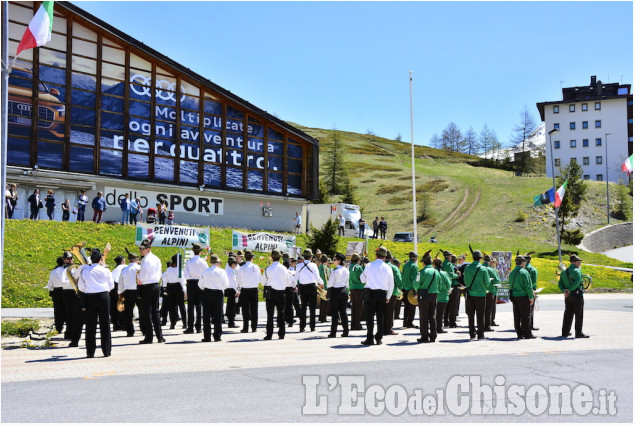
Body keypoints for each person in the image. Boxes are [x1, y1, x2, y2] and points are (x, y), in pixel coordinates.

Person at [78, 249, 114, 358]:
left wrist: (90, 289)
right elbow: (111, 285)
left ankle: (90, 352)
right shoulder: (105, 270)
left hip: (90, 297)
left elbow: (81, 287)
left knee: (90, 325)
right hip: (103, 296)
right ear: (100, 259)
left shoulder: (85, 271)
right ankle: (106, 351)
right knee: (105, 324)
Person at [359, 246, 394, 346]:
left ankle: (369, 338)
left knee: (369, 317)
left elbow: (362, 280)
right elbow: (391, 284)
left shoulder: (369, 265)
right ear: (385, 256)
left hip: (370, 293)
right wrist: (388, 296)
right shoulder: (388, 267)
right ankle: (379, 338)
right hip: (382, 294)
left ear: (375, 255)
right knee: (380, 317)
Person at [137, 239, 165, 344]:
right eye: (140, 249)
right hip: (156, 285)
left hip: (147, 286)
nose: (140, 251)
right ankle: (160, 336)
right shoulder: (156, 258)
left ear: (148, 249)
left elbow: (143, 277)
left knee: (147, 312)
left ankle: (149, 337)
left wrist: (138, 276)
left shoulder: (145, 260)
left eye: (142, 249)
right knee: (156, 312)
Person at [463, 249, 492, 340]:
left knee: (470, 315)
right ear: (480, 259)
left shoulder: (467, 267)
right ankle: (480, 334)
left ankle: (472, 333)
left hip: (470, 294)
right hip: (480, 294)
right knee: (480, 315)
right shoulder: (483, 269)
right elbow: (487, 283)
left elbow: (465, 281)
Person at [558, 254, 589, 338]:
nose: (580, 263)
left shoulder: (564, 271)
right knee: (579, 314)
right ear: (575, 262)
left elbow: (560, 283)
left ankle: (565, 332)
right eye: (579, 262)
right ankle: (578, 333)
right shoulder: (577, 271)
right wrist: (570, 289)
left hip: (567, 295)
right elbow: (577, 282)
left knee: (568, 313)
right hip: (577, 294)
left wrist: (564, 290)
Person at [199, 254, 228, 342]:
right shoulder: (222, 271)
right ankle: (217, 336)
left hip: (207, 292)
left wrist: (205, 288)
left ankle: (207, 336)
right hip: (218, 293)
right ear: (218, 262)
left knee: (206, 316)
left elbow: (200, 284)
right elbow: (226, 284)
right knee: (218, 315)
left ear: (211, 262)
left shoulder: (205, 271)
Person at [262, 249, 289, 340]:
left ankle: (269, 334)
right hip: (281, 292)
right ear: (280, 258)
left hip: (271, 292)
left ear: (271, 257)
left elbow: (263, 282)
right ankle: (282, 334)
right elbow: (288, 281)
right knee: (281, 313)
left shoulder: (268, 268)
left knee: (270, 314)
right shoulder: (284, 268)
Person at [414, 250, 440, 343]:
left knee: (423, 316)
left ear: (424, 262)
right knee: (432, 315)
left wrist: (418, 290)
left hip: (423, 295)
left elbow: (416, 284)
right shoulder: (436, 272)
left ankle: (424, 336)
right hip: (434, 294)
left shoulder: (421, 272)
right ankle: (433, 335)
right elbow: (439, 283)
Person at [296, 248, 324, 332]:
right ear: (311, 257)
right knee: (312, 308)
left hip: (303, 287)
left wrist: (293, 285)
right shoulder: (313, 265)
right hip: (312, 287)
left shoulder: (299, 266)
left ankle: (302, 326)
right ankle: (312, 326)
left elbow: (296, 278)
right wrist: (321, 283)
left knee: (303, 307)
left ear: (304, 257)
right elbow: (317, 277)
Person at [509, 254, 535, 340]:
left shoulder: (512, 272)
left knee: (516, 316)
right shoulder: (524, 272)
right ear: (522, 263)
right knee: (525, 316)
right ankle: (527, 334)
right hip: (523, 296)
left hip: (514, 296)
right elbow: (528, 286)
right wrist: (531, 297)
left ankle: (519, 333)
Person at [184, 243, 207, 334]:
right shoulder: (203, 262)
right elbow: (206, 273)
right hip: (200, 283)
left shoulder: (189, 261)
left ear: (193, 251)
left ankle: (190, 327)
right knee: (199, 305)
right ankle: (198, 327)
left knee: (190, 306)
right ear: (200, 252)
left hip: (191, 283)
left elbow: (186, 275)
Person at [236, 249, 261, 333]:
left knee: (245, 309)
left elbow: (238, 280)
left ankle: (245, 327)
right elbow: (260, 279)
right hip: (254, 290)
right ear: (252, 258)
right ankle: (254, 327)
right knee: (254, 309)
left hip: (245, 290)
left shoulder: (241, 268)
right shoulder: (256, 267)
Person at [118, 250, 141, 337]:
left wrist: (120, 292)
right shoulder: (139, 268)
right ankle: (144, 329)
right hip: (138, 290)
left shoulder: (124, 269)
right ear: (136, 259)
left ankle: (130, 331)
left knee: (128, 312)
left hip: (128, 292)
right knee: (142, 311)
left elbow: (121, 282)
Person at [327, 252, 349, 338]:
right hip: (344, 290)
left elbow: (330, 284)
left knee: (335, 312)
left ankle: (333, 333)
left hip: (336, 291)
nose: (333, 261)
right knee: (343, 312)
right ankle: (346, 331)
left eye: (334, 259)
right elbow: (347, 283)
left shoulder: (334, 271)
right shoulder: (346, 270)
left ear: (339, 261)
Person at [162, 256, 187, 329]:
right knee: (181, 306)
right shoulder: (179, 270)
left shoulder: (168, 269)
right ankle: (184, 323)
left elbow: (165, 279)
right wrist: (185, 290)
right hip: (178, 287)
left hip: (170, 287)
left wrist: (165, 288)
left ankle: (172, 324)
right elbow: (182, 281)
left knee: (172, 307)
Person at [47, 257, 67, 335]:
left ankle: (59, 328)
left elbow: (50, 285)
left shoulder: (53, 272)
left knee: (58, 311)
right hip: (65, 290)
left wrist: (51, 288)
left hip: (56, 291)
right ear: (64, 262)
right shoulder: (65, 271)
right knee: (66, 309)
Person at [384, 253, 402, 336]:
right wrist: (400, 288)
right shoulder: (394, 267)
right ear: (391, 259)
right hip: (392, 292)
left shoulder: (381, 266)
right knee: (390, 311)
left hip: (380, 291)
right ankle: (388, 329)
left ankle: (381, 328)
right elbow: (398, 279)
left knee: (382, 311)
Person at [400, 251, 418, 328]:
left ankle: (405, 321)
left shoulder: (405, 265)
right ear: (415, 258)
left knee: (406, 307)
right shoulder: (414, 266)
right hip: (411, 289)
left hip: (405, 288)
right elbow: (414, 279)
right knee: (412, 307)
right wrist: (416, 289)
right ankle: (409, 322)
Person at [483, 254, 500, 332]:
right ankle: (487, 325)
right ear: (490, 262)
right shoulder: (490, 270)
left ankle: (481, 324)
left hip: (480, 291)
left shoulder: (480, 268)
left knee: (481, 309)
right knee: (489, 309)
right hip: (490, 291)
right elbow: (496, 281)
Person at [434, 257, 452, 334]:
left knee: (433, 313)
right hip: (443, 296)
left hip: (433, 295)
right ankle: (439, 328)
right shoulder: (444, 273)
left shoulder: (433, 272)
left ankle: (434, 327)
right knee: (440, 313)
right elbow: (449, 284)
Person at [348, 253, 365, 330]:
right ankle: (357, 324)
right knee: (359, 307)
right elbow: (362, 279)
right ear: (358, 260)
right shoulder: (358, 267)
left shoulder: (350, 267)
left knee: (354, 307)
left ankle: (353, 323)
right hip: (359, 288)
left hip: (352, 287)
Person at [110, 255, 126, 332]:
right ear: (122, 261)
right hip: (119, 286)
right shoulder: (124, 267)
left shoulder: (115, 269)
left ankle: (115, 325)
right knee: (121, 306)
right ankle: (123, 324)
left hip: (112, 287)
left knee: (113, 307)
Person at [525, 253, 539, 331]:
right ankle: (530, 325)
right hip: (531, 291)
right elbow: (534, 282)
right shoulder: (533, 270)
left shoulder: (521, 269)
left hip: (521, 292)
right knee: (530, 310)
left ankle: (523, 324)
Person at [224, 256, 239, 328]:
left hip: (227, 289)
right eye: (235, 264)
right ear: (232, 264)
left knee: (229, 306)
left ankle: (230, 321)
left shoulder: (227, 270)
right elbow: (234, 282)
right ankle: (231, 322)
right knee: (232, 307)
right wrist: (237, 291)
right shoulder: (231, 271)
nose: (236, 265)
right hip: (232, 289)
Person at [285, 258, 298, 327]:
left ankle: (281, 320)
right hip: (290, 289)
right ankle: (290, 321)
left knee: (283, 306)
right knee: (290, 306)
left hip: (282, 289)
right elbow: (294, 281)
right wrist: (295, 287)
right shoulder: (290, 272)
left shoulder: (282, 273)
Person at [318, 254, 331, 323]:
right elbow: (328, 278)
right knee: (325, 303)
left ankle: (321, 317)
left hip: (321, 286)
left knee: (322, 303)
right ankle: (323, 318)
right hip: (326, 286)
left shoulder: (320, 267)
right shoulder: (326, 268)